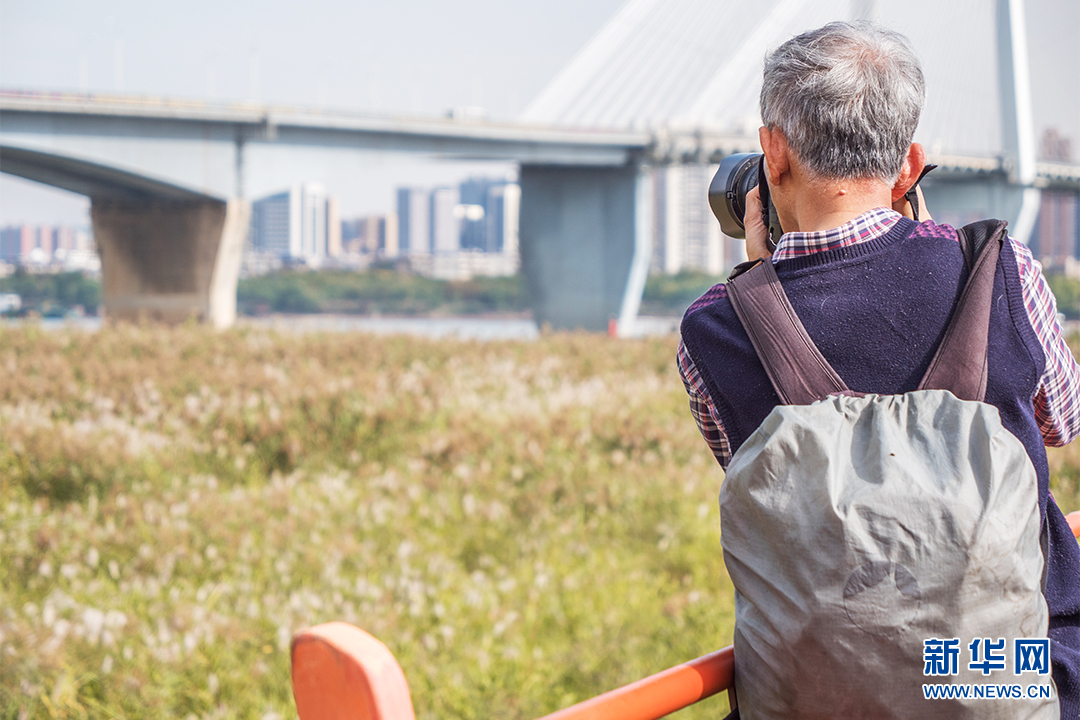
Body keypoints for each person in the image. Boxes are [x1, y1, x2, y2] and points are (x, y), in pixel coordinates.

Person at [677, 21, 1080, 716]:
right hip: (1010, 681)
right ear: (910, 162)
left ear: (773, 154)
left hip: (820, 695)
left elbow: (766, 475)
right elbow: (1059, 422)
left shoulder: (713, 328)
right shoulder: (1003, 270)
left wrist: (757, 278)